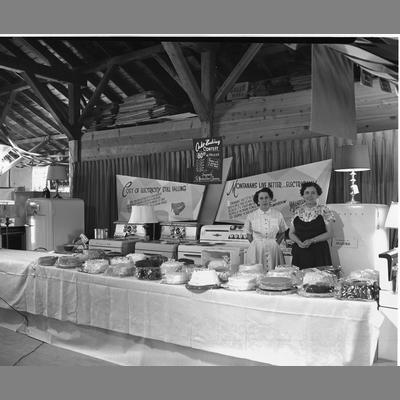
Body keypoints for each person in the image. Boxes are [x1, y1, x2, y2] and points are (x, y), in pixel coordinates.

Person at [289, 182, 335, 269]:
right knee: (299, 280)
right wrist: (298, 242)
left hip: (319, 252)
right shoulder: (297, 211)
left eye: (313, 193)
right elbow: (291, 233)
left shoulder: (324, 210)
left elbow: (330, 233)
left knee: (319, 281)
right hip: (300, 251)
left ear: (318, 195)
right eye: (307, 193)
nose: (310, 195)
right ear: (302, 195)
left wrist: (312, 240)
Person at [243, 188, 288, 271]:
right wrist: (256, 244)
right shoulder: (251, 216)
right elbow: (248, 234)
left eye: (266, 197)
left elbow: (282, 232)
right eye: (261, 198)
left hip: (273, 249)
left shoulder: (278, 214)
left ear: (270, 199)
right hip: (256, 250)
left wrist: (275, 243)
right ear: (258, 201)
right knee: (257, 273)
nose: (264, 200)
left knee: (274, 273)